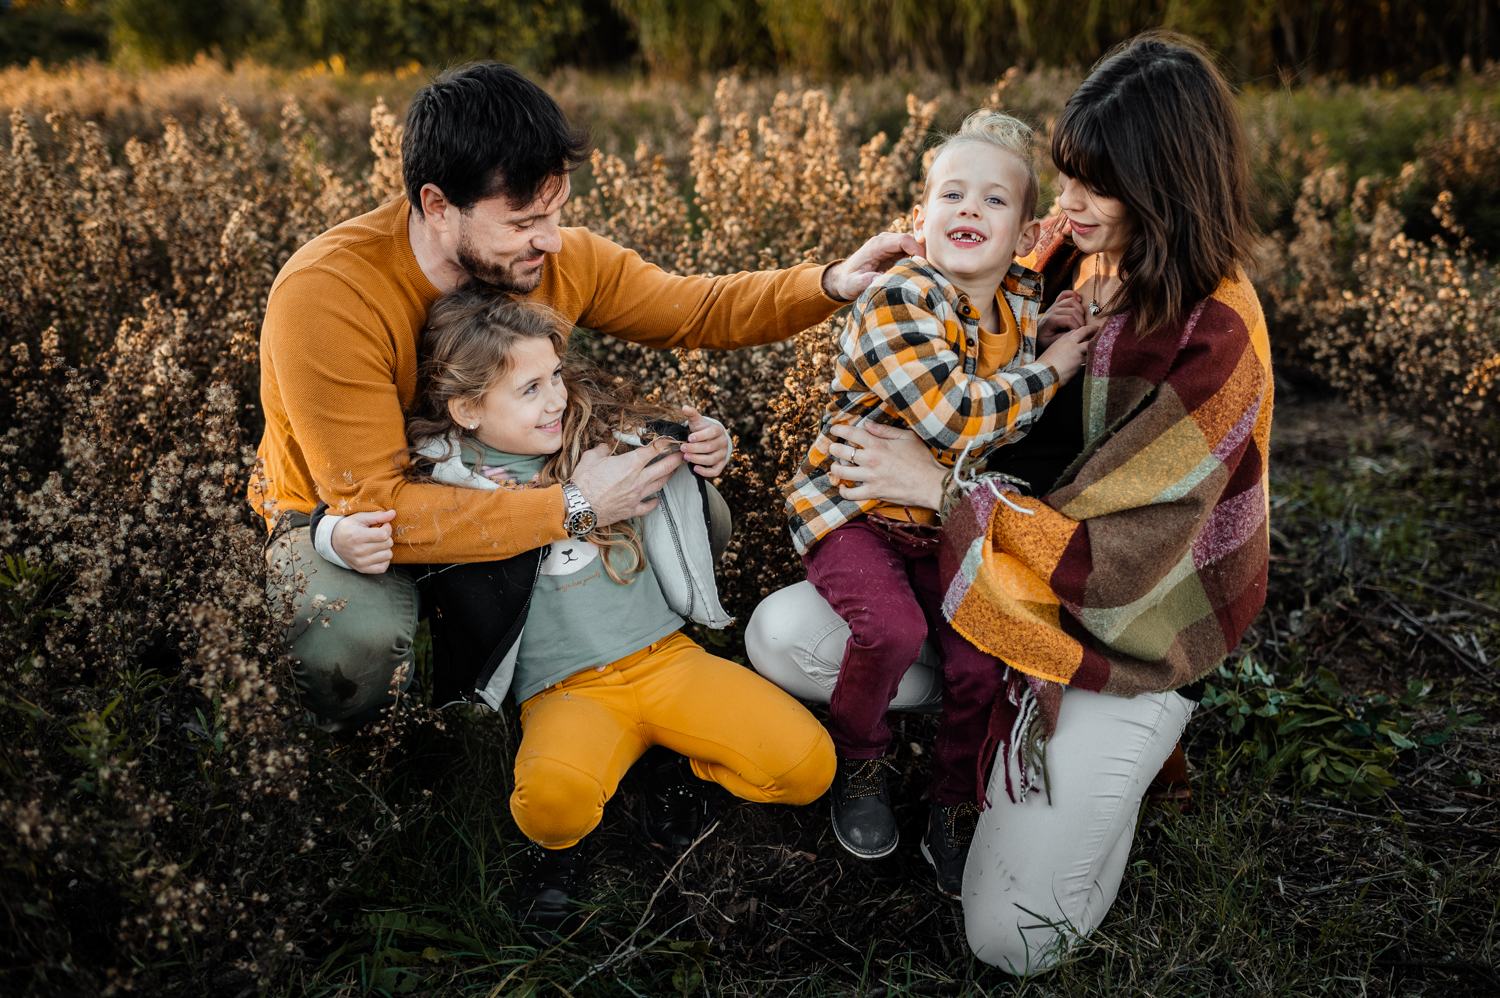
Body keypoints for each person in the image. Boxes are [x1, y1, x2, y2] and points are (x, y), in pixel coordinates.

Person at [748, 32, 1271, 973]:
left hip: (1129, 624)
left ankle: (1124, 755)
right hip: (1000, 562)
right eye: (1063, 179)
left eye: (1089, 186)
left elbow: (1132, 556)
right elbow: (961, 267)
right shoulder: (1074, 250)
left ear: (1163, 190)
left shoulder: (1219, 339)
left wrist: (940, 488)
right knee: (784, 634)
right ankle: (967, 713)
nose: (1061, 205)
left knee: (1011, 942)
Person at [254, 62, 918, 733]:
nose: (549, 239)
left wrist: (832, 281)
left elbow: (694, 308)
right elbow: (378, 505)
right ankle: (377, 748)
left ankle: (604, 665)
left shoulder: (549, 257)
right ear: (435, 205)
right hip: (344, 523)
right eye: (523, 221)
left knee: (696, 510)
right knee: (352, 645)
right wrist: (575, 507)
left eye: (557, 211)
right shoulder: (328, 296)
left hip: (509, 480)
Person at [396, 290, 835, 943]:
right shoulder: (446, 483)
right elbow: (374, 515)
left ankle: (674, 770)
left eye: (556, 378)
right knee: (551, 806)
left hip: (668, 661)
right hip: (566, 691)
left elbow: (676, 439)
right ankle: (559, 855)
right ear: (466, 408)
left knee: (807, 765)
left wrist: (707, 442)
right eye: (528, 390)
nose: (554, 400)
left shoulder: (598, 438)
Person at [777, 110, 1092, 893]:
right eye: (952, 194)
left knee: (982, 656)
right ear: (920, 218)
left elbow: (1003, 356)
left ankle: (955, 799)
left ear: (1027, 234)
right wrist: (1050, 367)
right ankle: (860, 758)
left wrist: (1040, 331)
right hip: (859, 514)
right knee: (890, 628)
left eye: (994, 201)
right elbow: (959, 418)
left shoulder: (1018, 297)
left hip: (941, 520)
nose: (969, 211)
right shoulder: (899, 297)